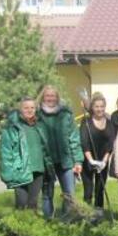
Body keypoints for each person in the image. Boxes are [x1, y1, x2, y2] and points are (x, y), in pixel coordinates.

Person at [36, 85, 83, 218]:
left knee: (69, 194)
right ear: (42, 97)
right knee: (47, 195)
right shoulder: (36, 115)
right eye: (47, 96)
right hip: (46, 162)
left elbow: (74, 138)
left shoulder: (66, 114)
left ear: (57, 97)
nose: (50, 98)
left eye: (53, 96)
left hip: (66, 161)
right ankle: (48, 223)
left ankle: (67, 222)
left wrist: (78, 160)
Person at [0, 97, 51, 210]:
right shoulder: (12, 128)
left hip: (38, 170)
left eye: (32, 107)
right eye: (26, 107)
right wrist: (7, 174)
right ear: (20, 110)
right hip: (20, 172)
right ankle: (18, 226)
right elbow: (5, 152)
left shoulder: (40, 126)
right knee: (21, 204)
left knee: (33, 203)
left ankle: (32, 226)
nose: (29, 110)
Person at [80, 93, 114, 209]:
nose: (99, 109)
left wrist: (104, 161)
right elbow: (84, 142)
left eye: (101, 106)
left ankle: (98, 215)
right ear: (92, 108)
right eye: (96, 106)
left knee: (100, 190)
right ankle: (87, 215)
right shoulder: (86, 122)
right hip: (88, 160)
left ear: (105, 107)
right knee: (88, 191)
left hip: (103, 161)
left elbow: (110, 144)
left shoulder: (109, 123)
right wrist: (91, 160)